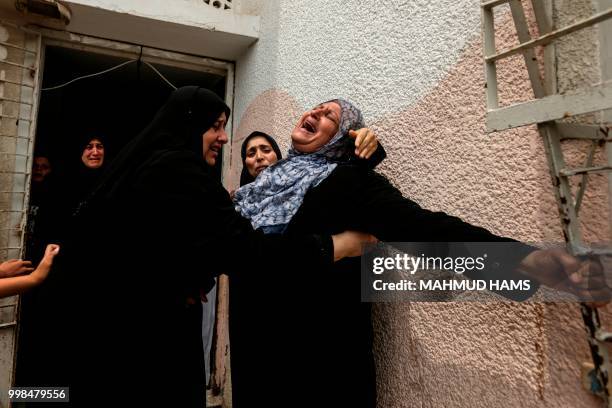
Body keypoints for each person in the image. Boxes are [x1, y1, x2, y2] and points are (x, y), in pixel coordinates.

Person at [232, 99, 607, 407]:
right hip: (260, 347)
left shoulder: (347, 180)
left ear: (344, 136)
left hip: (316, 360)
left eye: (329, 114)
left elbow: (423, 229)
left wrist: (529, 264)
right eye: (314, 108)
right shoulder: (268, 181)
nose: (313, 113)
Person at [40, 87, 373, 407]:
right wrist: (336, 246)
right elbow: (245, 251)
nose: (225, 138)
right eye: (216, 127)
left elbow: (160, 244)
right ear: (189, 123)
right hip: (141, 334)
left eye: (226, 128)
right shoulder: (181, 172)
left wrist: (367, 149)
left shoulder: (156, 165)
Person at [239, 128, 382, 186]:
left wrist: (361, 144)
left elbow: (347, 177)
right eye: (251, 153)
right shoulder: (235, 206)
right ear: (245, 163)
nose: (259, 157)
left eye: (266, 150)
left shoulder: (299, 184)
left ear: (278, 156)